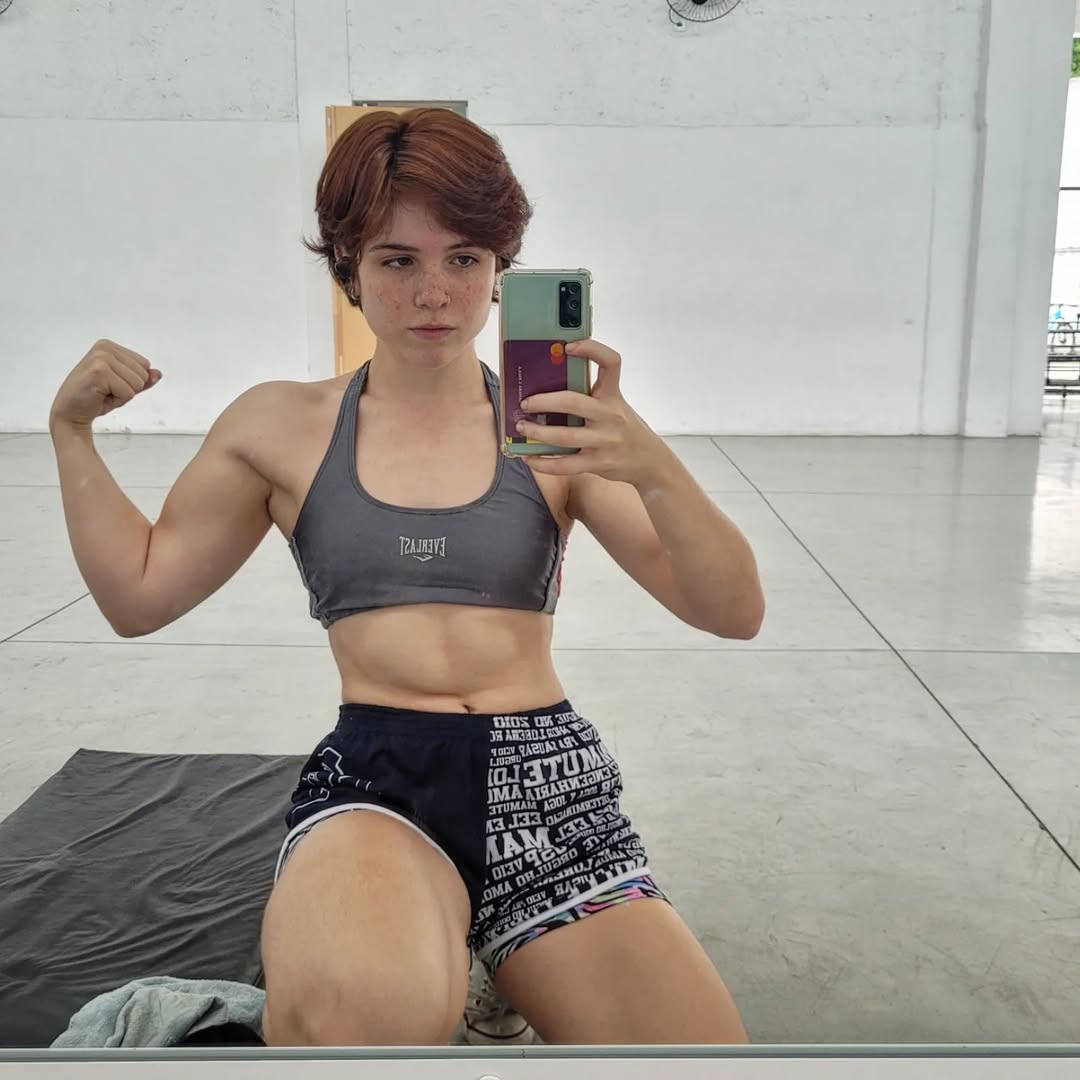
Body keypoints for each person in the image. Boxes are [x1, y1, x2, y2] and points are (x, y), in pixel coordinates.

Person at [47, 107, 764, 1047]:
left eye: (464, 258)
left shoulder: (557, 431)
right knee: (362, 1031)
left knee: (696, 1063)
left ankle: (486, 952)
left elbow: (732, 611)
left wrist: (654, 466)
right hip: (378, 780)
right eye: (398, 260)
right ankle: (433, 943)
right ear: (348, 269)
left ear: (501, 269)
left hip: (546, 781)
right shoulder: (281, 426)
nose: (435, 293)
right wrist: (71, 432)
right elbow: (138, 596)